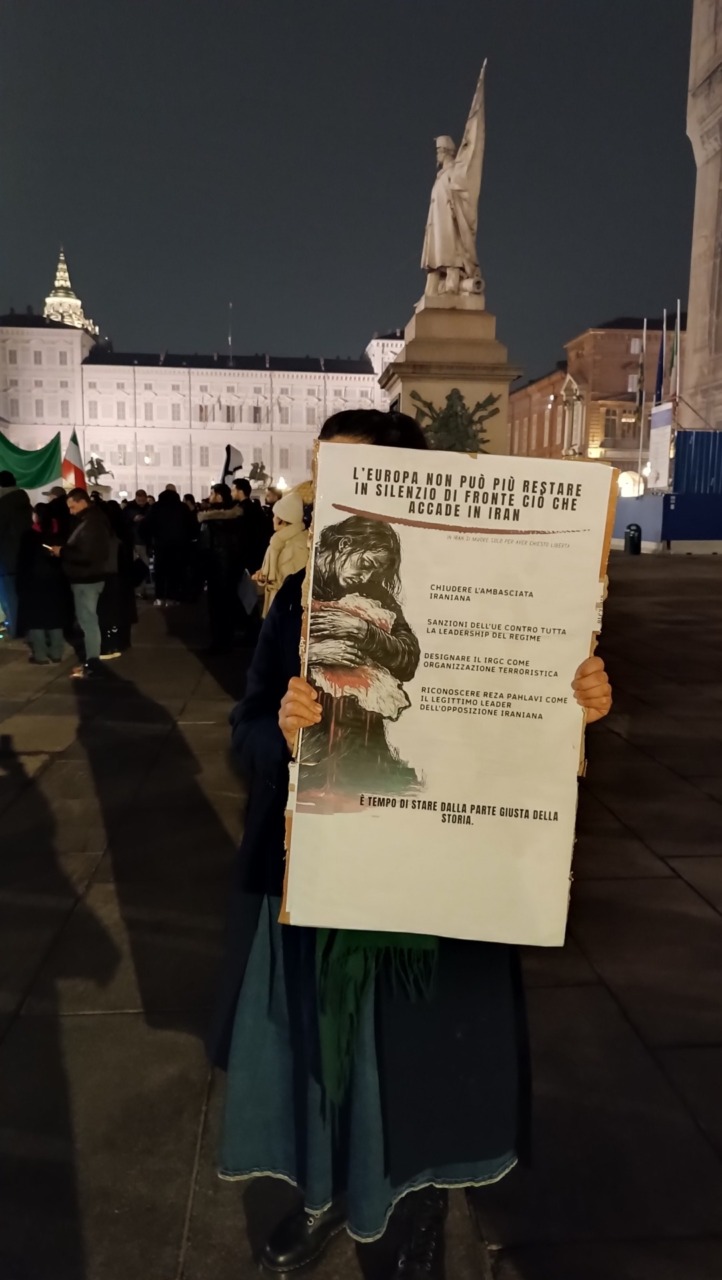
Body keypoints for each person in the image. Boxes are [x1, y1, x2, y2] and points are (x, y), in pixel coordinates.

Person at [209, 409, 613, 1279]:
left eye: (354, 482)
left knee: (420, 1067)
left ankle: (415, 1210)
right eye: (325, 485)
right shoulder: (295, 604)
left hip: (435, 889)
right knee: (325, 1059)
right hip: (319, 879)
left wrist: (579, 706)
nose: (331, 506)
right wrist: (280, 732)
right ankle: (326, 1197)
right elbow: (241, 730)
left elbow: (528, 749)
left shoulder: (502, 593)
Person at [50, 488, 112, 680]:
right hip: (88, 577)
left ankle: (92, 663)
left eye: (73, 506)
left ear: (83, 502)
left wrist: (63, 552)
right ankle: (91, 661)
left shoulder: (91, 523)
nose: (71, 511)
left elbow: (87, 555)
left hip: (86, 579)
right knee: (88, 620)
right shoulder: (91, 520)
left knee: (88, 622)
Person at [17, 503, 71, 664]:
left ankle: (40, 655)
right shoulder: (60, 534)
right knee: (56, 618)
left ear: (36, 516)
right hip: (57, 582)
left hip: (34, 582)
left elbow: (22, 562)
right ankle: (56, 653)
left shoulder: (29, 535)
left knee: (36, 619)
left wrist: (21, 584)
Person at [198, 483, 245, 654]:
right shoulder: (236, 517)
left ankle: (218, 643)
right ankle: (227, 640)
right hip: (230, 568)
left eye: (212, 493)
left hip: (215, 568)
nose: (210, 497)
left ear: (218, 496)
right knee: (228, 605)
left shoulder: (209, 519)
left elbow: (205, 547)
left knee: (216, 607)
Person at [253, 491, 309, 618]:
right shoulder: (277, 542)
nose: (272, 519)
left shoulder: (298, 545)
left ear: (283, 520)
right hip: (275, 605)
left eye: (275, 516)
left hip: (286, 610)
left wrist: (273, 582)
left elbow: (294, 583)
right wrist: (262, 576)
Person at [142, 487, 196, 607]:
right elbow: (191, 526)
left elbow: (146, 525)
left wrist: (149, 542)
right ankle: (174, 596)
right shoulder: (182, 508)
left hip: (161, 545)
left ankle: (160, 596)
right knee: (176, 572)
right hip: (179, 546)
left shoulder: (156, 507)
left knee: (160, 572)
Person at [98, 500, 137, 656]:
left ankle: (110, 644)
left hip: (111, 574)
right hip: (124, 575)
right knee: (122, 611)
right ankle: (123, 641)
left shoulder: (108, 532)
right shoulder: (124, 530)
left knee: (109, 611)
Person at [0, 469, 32, 636]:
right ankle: (22, 627)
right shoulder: (22, 501)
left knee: (9, 596)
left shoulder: (4, 504)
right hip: (24, 556)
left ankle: (15, 629)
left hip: (7, 558)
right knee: (20, 594)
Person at [232, 477, 270, 574]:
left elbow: (242, 537)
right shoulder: (255, 508)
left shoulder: (242, 511)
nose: (231, 493)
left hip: (247, 559)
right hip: (255, 556)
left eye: (233, 490)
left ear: (240, 491)